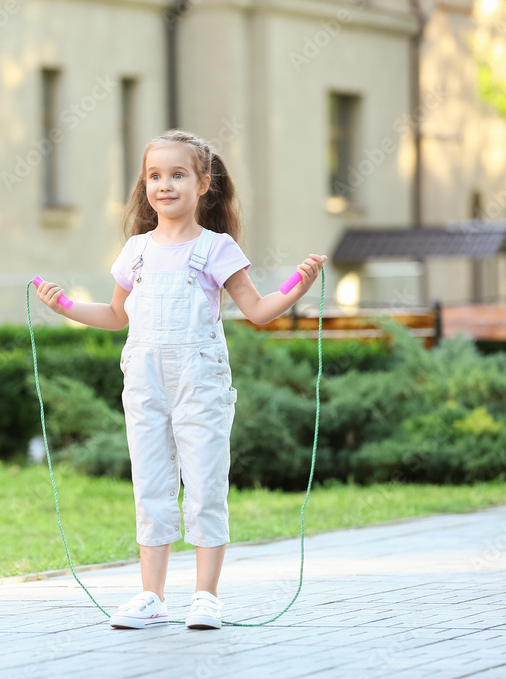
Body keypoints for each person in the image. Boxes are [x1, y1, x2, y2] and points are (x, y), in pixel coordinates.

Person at [35, 129, 326, 630]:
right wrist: (62, 304)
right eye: (154, 175)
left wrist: (299, 283)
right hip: (145, 382)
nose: (164, 185)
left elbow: (257, 310)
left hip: (200, 381)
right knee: (150, 485)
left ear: (203, 183)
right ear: (144, 184)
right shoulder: (136, 250)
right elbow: (113, 315)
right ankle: (151, 596)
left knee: (205, 484)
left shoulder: (217, 248)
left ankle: (206, 597)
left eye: (177, 174)